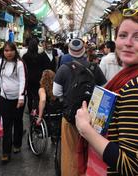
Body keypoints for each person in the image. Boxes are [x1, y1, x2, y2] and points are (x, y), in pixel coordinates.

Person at [75, 8, 138, 175]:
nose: (128, 43)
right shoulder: (134, 79)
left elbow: (129, 165)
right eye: (123, 35)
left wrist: (85, 129)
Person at [53, 38, 107, 176]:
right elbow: (104, 88)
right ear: (84, 50)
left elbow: (56, 92)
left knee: (70, 153)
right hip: (91, 118)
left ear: (70, 52)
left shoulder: (63, 69)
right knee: (91, 151)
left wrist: (67, 99)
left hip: (70, 117)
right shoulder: (95, 68)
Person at [0, 42, 26, 163]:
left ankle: (17, 143)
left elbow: (22, 80)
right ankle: (6, 151)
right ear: (2, 52)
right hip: (4, 98)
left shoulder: (19, 64)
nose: (8, 53)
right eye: (6, 51)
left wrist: (21, 97)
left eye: (10, 50)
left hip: (18, 99)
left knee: (18, 121)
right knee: (6, 124)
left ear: (15, 51)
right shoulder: (0, 64)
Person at [22, 37, 48, 118]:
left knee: (29, 96)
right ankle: (37, 110)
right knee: (38, 95)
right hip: (39, 79)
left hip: (29, 79)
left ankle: (30, 111)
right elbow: (45, 67)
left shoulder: (25, 56)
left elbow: (23, 68)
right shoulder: (41, 56)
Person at [36, 69, 63, 143]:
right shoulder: (58, 87)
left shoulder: (42, 89)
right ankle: (55, 137)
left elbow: (43, 100)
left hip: (47, 111)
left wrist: (40, 116)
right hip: (57, 111)